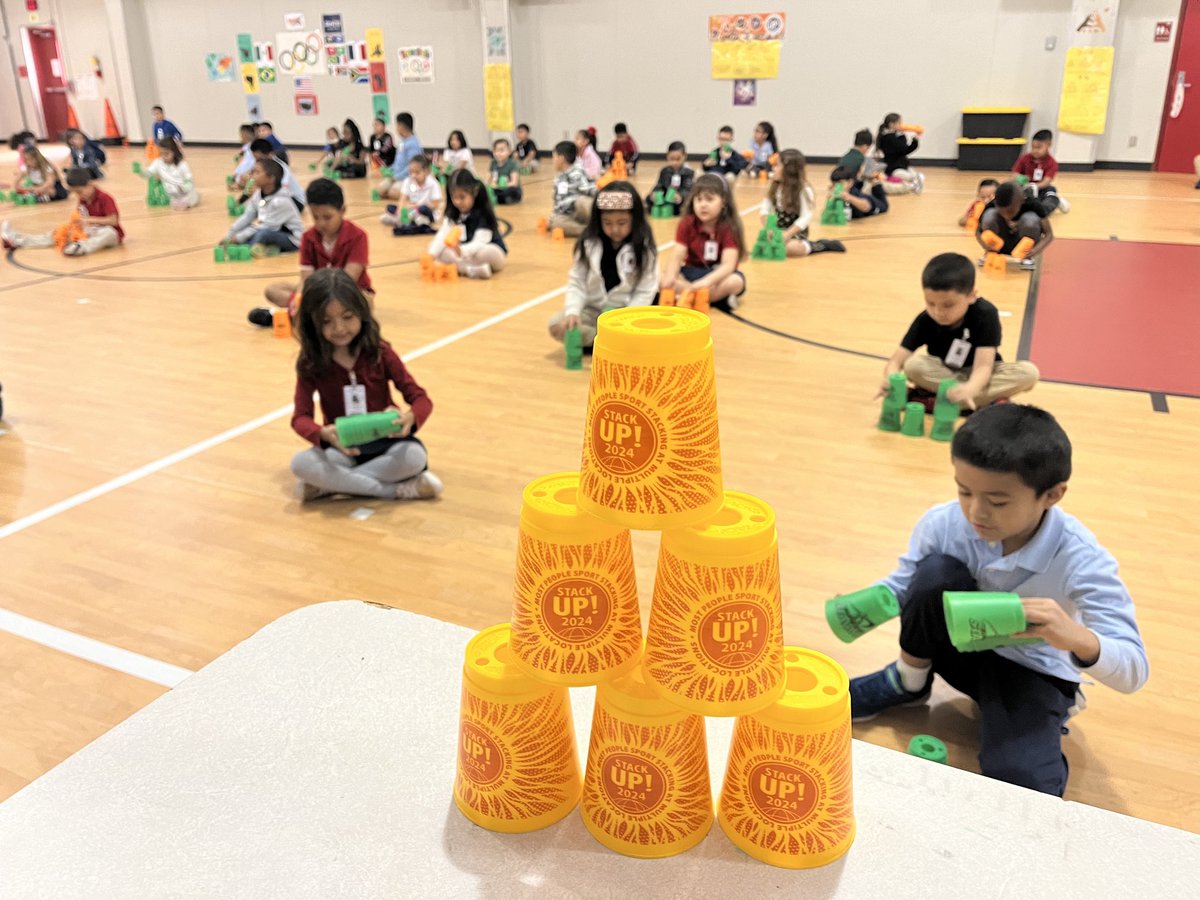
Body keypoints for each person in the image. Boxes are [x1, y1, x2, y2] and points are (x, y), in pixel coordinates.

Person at [847, 403, 1148, 797]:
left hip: (1032, 669)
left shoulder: (1082, 558)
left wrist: (1074, 636)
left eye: (998, 501)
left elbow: (1134, 669)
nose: (976, 511)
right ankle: (908, 680)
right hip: (957, 649)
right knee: (935, 572)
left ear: (1052, 495)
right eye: (964, 490)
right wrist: (864, 606)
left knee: (1021, 784)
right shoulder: (944, 522)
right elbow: (908, 583)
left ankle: (1037, 723)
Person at [289, 269, 442, 502]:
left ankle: (330, 486)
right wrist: (321, 433)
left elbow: (421, 398)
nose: (339, 328)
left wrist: (411, 417)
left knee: (414, 457)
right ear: (313, 324)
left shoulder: (380, 352)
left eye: (348, 317)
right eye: (327, 321)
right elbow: (300, 418)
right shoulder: (311, 363)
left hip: (387, 444)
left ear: (361, 313)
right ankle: (395, 491)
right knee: (301, 463)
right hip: (342, 448)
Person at [877, 252, 1039, 411]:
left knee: (1029, 373)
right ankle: (982, 402)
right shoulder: (925, 319)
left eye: (948, 305)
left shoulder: (985, 314)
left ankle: (936, 399)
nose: (938, 312)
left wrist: (971, 389)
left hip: (982, 374)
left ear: (971, 296)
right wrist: (892, 380)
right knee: (913, 365)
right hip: (945, 373)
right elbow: (895, 362)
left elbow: (983, 367)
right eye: (930, 303)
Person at [548, 181, 658, 349]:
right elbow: (576, 281)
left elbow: (645, 290)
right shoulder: (588, 242)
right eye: (607, 223)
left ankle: (606, 342)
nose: (614, 229)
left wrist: (627, 319)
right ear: (599, 221)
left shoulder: (643, 247)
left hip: (624, 312)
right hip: (593, 310)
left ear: (634, 220)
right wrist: (573, 311)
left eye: (622, 223)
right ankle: (604, 342)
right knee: (556, 325)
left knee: (649, 330)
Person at [251, 177, 372, 326]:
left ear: (342, 211)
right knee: (273, 290)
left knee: (366, 302)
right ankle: (309, 315)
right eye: (315, 217)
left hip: (348, 292)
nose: (321, 223)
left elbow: (349, 279)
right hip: (318, 291)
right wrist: (300, 298)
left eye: (327, 217)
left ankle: (288, 316)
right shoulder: (308, 238)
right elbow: (306, 279)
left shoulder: (358, 236)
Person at [659, 172, 746, 310]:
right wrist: (669, 279)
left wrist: (704, 282)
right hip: (691, 272)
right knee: (660, 277)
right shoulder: (687, 223)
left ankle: (690, 295)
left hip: (716, 276)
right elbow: (677, 255)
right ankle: (708, 298)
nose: (703, 205)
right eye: (698, 199)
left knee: (736, 281)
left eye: (709, 200)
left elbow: (728, 266)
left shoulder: (729, 227)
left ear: (723, 202)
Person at [2, 167, 123, 256]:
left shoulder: (105, 198)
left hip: (104, 232)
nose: (79, 195)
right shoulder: (82, 200)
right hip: (87, 231)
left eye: (80, 191)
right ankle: (17, 240)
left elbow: (113, 220)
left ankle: (80, 248)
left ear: (90, 184)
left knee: (109, 233)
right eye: (76, 192)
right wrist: (73, 228)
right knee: (56, 233)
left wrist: (88, 220)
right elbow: (78, 218)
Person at [426, 169, 507, 279]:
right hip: (464, 255)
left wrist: (461, 251)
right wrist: (431, 255)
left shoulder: (483, 213)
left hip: (485, 252)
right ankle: (469, 270)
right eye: (454, 197)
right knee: (435, 248)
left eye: (462, 197)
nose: (458, 202)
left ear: (474, 192)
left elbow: (480, 242)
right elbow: (443, 234)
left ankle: (462, 267)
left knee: (484, 253)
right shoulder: (453, 213)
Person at [762, 149, 844, 257]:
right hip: (778, 231)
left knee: (791, 248)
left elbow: (806, 217)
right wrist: (770, 229)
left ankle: (819, 245)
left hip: (795, 233)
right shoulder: (775, 187)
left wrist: (787, 234)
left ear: (788, 170)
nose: (773, 169)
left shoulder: (803, 190)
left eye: (777, 165)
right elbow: (764, 211)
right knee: (766, 246)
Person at [220, 158, 303, 254]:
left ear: (271, 178)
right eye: (252, 172)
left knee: (263, 234)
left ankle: (248, 248)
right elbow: (246, 217)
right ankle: (267, 248)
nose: (252, 176)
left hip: (293, 240)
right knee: (248, 228)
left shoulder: (281, 201)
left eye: (257, 172)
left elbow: (267, 226)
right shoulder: (258, 195)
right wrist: (229, 236)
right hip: (272, 231)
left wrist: (239, 238)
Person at [976, 181, 1053, 267]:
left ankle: (1026, 258)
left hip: (1023, 246)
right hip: (1000, 244)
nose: (1007, 215)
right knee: (989, 215)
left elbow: (1049, 234)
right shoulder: (991, 205)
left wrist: (1035, 250)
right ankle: (991, 253)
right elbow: (978, 231)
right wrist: (985, 245)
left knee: (1030, 219)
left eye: (1010, 211)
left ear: (1020, 202)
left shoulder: (1033, 204)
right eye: (1002, 212)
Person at [380, 154, 443, 234]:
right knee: (390, 207)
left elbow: (435, 205)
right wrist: (400, 212)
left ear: (426, 171)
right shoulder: (408, 181)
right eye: (411, 172)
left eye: (417, 172)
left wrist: (417, 206)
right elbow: (402, 199)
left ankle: (413, 219)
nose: (413, 175)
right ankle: (404, 219)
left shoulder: (433, 183)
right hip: (412, 210)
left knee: (423, 208)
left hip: (427, 211)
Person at [236, 139, 306, 210]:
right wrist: (240, 201)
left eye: (260, 158)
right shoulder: (262, 166)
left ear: (270, 154)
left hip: (296, 201)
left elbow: (283, 191)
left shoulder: (281, 168)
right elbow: (251, 184)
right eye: (255, 158)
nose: (257, 161)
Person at [1013, 129, 1069, 214]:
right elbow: (1015, 173)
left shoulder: (1052, 163)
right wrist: (1020, 179)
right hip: (1025, 187)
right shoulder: (1025, 158)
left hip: (1042, 189)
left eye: (1039, 147)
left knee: (1050, 192)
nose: (1035, 150)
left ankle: (1055, 202)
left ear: (1049, 145)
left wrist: (1035, 186)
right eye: (1033, 147)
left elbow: (1046, 181)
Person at [548, 140, 596, 238]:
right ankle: (588, 231)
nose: (552, 160)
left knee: (582, 202)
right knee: (557, 223)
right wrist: (553, 218)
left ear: (561, 159)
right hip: (568, 214)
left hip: (581, 211)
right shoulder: (559, 179)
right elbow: (557, 203)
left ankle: (601, 223)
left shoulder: (577, 172)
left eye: (554, 157)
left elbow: (589, 189)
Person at [138, 139, 199, 209]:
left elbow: (189, 181)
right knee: (173, 201)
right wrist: (140, 171)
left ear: (174, 152)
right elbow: (148, 174)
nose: (163, 156)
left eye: (166, 153)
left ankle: (189, 200)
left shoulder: (182, 164)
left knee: (190, 197)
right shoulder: (158, 162)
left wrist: (184, 188)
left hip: (184, 193)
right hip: (170, 195)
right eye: (161, 153)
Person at [875, 113, 924, 193]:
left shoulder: (893, 136)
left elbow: (905, 150)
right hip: (894, 168)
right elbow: (903, 149)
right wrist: (902, 136)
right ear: (891, 124)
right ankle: (914, 182)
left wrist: (914, 141)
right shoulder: (888, 137)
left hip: (901, 165)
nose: (901, 125)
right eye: (899, 123)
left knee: (911, 174)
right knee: (909, 176)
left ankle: (915, 182)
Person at [644, 141, 694, 216]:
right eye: (672, 159)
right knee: (648, 199)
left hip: (680, 200)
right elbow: (659, 185)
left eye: (678, 159)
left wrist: (681, 196)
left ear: (684, 156)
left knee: (688, 204)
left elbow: (688, 189)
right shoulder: (665, 171)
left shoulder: (688, 172)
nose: (675, 162)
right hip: (666, 198)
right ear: (667, 157)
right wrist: (655, 193)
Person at [489, 138, 522, 205]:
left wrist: (502, 185)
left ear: (509, 151)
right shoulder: (493, 163)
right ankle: (497, 198)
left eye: (502, 150)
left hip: (511, 189)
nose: (498, 153)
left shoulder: (512, 164)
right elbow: (491, 179)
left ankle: (501, 198)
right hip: (499, 189)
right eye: (496, 151)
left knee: (509, 192)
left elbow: (514, 183)